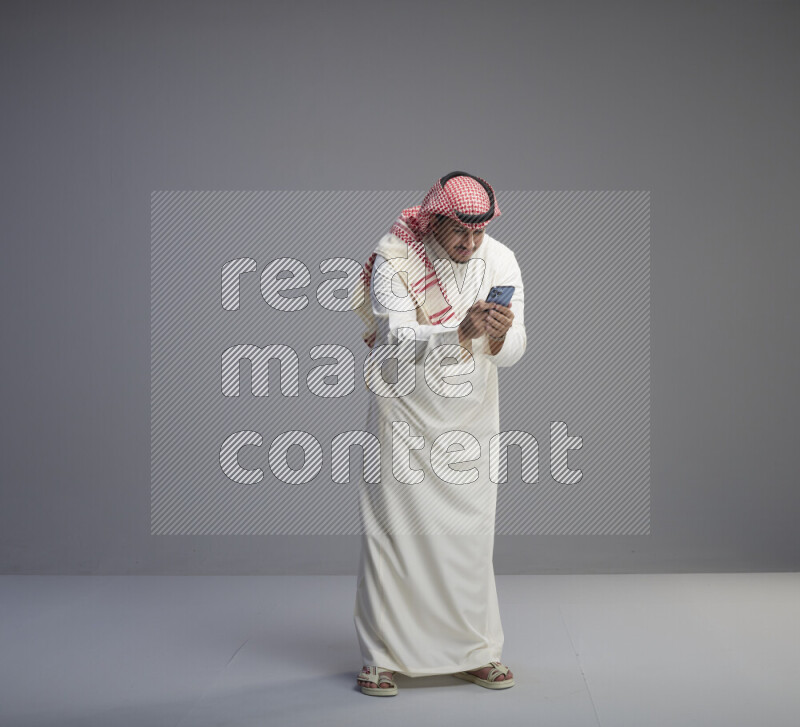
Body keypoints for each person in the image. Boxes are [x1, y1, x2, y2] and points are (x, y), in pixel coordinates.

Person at [350, 172, 526, 696]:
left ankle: (475, 651)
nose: (469, 245)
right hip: (403, 412)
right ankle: (382, 657)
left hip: (470, 417)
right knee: (394, 539)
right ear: (433, 220)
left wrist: (495, 338)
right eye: (458, 233)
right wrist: (459, 331)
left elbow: (517, 346)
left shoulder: (502, 259)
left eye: (477, 234)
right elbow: (396, 338)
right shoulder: (395, 258)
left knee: (469, 540)